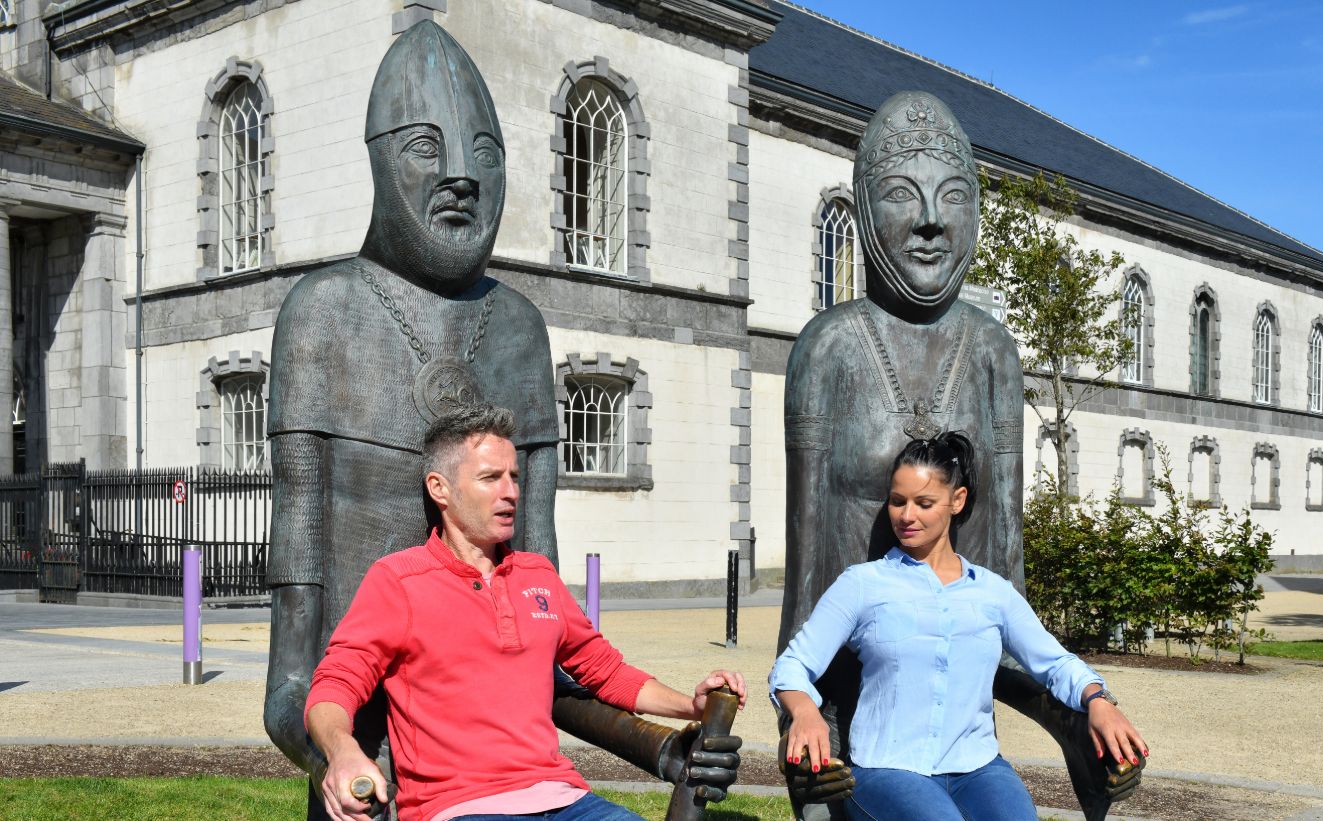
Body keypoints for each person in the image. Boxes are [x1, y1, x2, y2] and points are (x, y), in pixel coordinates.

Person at [264, 22, 729, 818]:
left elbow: (559, 671)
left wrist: (668, 735)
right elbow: (297, 683)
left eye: (484, 153)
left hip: (537, 787)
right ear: (378, 156)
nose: (459, 177)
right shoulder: (323, 315)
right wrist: (342, 756)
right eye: (424, 146)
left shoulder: (517, 329)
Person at [779, 90, 1137, 820]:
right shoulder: (830, 348)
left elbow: (1012, 599)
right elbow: (804, 589)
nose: (933, 222)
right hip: (862, 724)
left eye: (953, 197)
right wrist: (804, 724)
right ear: (864, 210)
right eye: (904, 197)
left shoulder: (992, 351)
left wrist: (1084, 707)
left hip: (962, 746)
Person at [307, 404, 748, 821]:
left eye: (514, 477)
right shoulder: (398, 580)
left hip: (563, 796)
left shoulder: (537, 575)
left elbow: (605, 671)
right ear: (439, 488)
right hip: (461, 806)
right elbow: (334, 685)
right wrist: (343, 751)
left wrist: (690, 705)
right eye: (490, 477)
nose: (510, 492)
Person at [771, 432, 1148, 821]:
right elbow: (792, 665)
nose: (906, 515)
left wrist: (1098, 700)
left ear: (957, 500)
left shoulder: (992, 592)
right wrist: (804, 712)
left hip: (979, 767)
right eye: (898, 502)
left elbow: (1054, 663)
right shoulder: (862, 584)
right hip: (887, 768)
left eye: (924, 503)